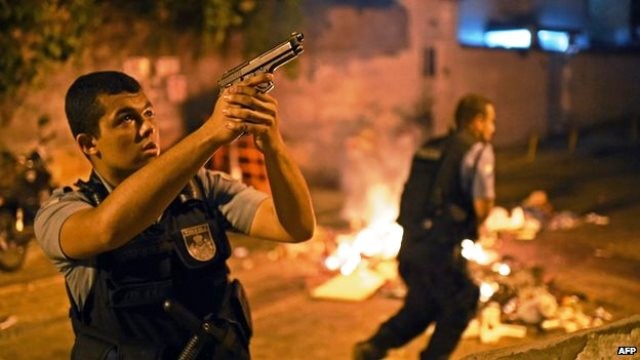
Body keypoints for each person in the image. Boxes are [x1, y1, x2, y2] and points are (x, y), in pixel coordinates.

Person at [34, 70, 315, 359]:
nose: (147, 128)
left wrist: (272, 145)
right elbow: (107, 229)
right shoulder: (64, 211)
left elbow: (295, 227)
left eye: (148, 113)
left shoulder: (199, 188)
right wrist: (210, 133)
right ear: (88, 144)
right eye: (126, 119)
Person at [353, 94, 496, 360]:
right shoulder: (477, 150)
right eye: (491, 122)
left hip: (410, 245)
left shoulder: (430, 147)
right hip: (439, 249)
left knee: (425, 305)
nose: (493, 129)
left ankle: (373, 347)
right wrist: (474, 224)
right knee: (463, 300)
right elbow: (482, 205)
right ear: (477, 122)